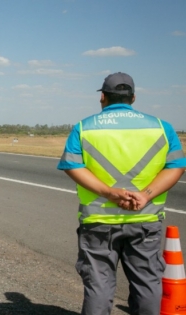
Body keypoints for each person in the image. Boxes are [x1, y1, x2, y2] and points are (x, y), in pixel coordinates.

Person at [57, 72, 186, 315]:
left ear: (102, 97)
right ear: (133, 97)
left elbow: (72, 166)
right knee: (148, 284)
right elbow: (176, 166)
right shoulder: (161, 127)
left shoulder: (84, 128)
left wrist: (109, 193)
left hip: (98, 221)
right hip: (145, 219)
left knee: (99, 287)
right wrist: (146, 195)